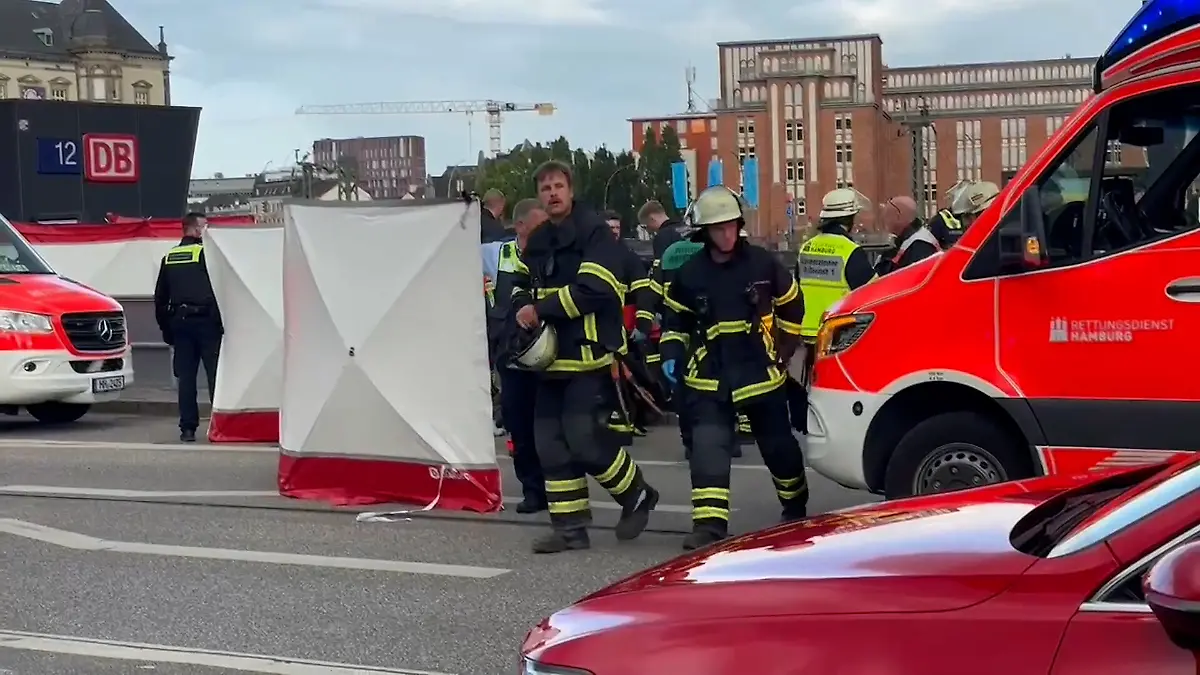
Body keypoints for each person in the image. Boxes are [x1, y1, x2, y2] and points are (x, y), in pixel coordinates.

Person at [512, 160, 659, 554]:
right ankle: (570, 528)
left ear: (571, 190)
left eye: (558, 186)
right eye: (545, 189)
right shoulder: (540, 239)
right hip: (550, 362)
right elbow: (522, 283)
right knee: (550, 443)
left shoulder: (594, 234)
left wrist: (540, 310)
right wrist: (522, 306)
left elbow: (595, 290)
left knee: (585, 440)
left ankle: (638, 493)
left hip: (588, 358)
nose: (553, 193)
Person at [660, 186, 809, 550]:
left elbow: (793, 304)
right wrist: (671, 352)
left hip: (759, 371)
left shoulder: (762, 263)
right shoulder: (690, 273)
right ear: (704, 233)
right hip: (709, 375)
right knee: (708, 447)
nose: (726, 235)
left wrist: (785, 348)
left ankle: (795, 508)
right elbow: (675, 319)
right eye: (718, 229)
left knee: (779, 447)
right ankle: (709, 526)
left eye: (731, 227)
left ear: (739, 225)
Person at [493, 198, 550, 513]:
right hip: (512, 355)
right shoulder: (499, 253)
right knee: (519, 424)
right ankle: (533, 491)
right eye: (539, 224)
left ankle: (560, 491)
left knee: (551, 427)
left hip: (546, 353)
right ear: (520, 225)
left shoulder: (552, 253)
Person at [154, 212, 222, 443]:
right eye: (205, 226)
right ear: (194, 230)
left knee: (186, 379)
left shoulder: (170, 256)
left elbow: (160, 298)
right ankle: (218, 427)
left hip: (180, 324)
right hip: (206, 323)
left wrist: (167, 331)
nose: (207, 231)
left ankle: (188, 429)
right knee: (215, 377)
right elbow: (220, 290)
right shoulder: (206, 254)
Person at [797, 188, 877, 343]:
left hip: (808, 331)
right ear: (849, 219)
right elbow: (872, 291)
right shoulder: (850, 250)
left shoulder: (806, 247)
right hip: (838, 331)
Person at [876, 195, 940, 275]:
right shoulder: (909, 240)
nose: (883, 219)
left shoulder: (920, 245)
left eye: (887, 215)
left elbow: (914, 280)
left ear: (898, 216)